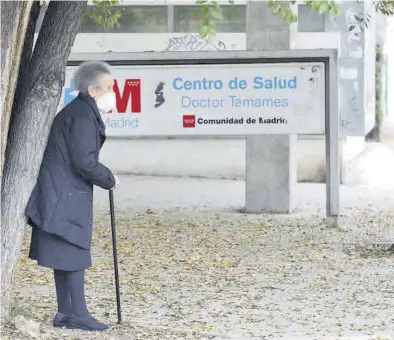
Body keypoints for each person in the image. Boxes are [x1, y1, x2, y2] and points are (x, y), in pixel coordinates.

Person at [25, 61, 120, 332]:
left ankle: (66, 312)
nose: (113, 92)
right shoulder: (82, 116)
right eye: (110, 88)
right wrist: (109, 178)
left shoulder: (79, 111)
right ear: (92, 90)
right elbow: (84, 161)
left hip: (59, 192)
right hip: (65, 194)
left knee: (65, 253)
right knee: (74, 251)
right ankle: (77, 314)